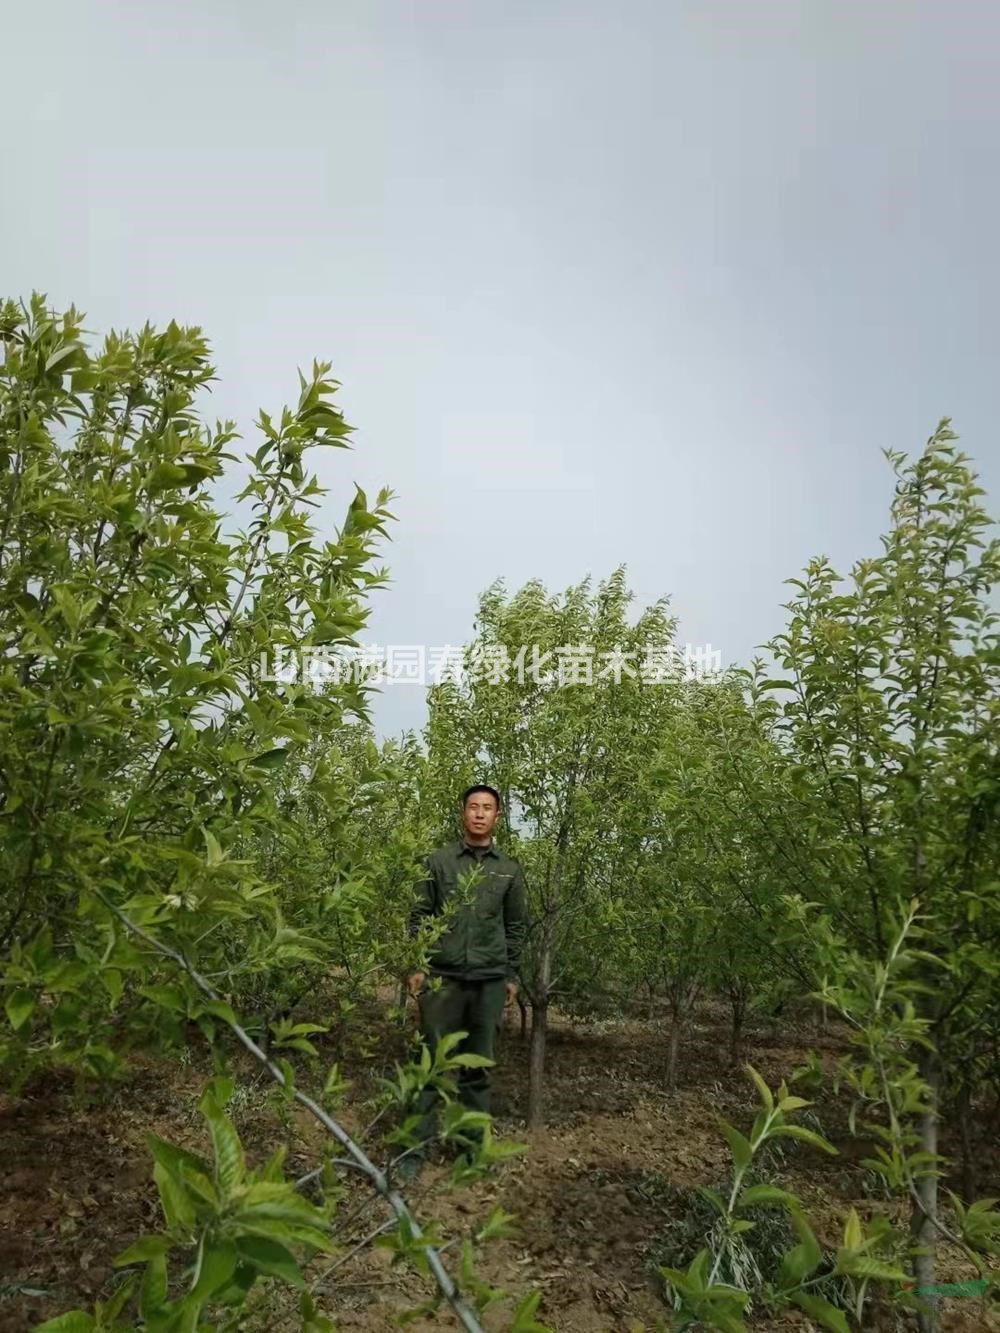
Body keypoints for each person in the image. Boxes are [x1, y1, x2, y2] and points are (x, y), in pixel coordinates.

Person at [403, 784, 528, 1174]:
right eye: (473, 807)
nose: (479, 813)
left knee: (478, 1068)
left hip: (488, 981)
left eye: (487, 808)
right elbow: (419, 916)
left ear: (497, 816)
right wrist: (419, 963)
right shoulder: (439, 862)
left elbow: (515, 926)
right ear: (463, 813)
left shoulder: (509, 868)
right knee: (430, 1064)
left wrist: (510, 975)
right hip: (443, 978)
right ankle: (413, 1152)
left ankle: (470, 1153)